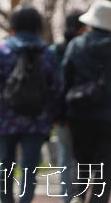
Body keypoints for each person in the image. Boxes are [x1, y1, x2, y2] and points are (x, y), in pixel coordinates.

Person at [0, 5, 63, 203]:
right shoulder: (46, 52)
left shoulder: (4, 50)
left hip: (6, 117)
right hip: (37, 119)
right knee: (30, 167)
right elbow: (56, 88)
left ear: (14, 26)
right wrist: (56, 116)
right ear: (38, 26)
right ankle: (25, 200)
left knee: (6, 165)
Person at [62, 0, 111, 203]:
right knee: (105, 165)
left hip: (79, 113)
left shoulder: (76, 45)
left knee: (80, 161)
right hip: (108, 116)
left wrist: (62, 111)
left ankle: (78, 197)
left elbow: (65, 78)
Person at [51, 12, 86, 201]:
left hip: (62, 110)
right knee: (81, 155)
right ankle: (79, 196)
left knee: (66, 154)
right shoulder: (84, 48)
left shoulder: (55, 50)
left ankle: (66, 197)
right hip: (84, 109)